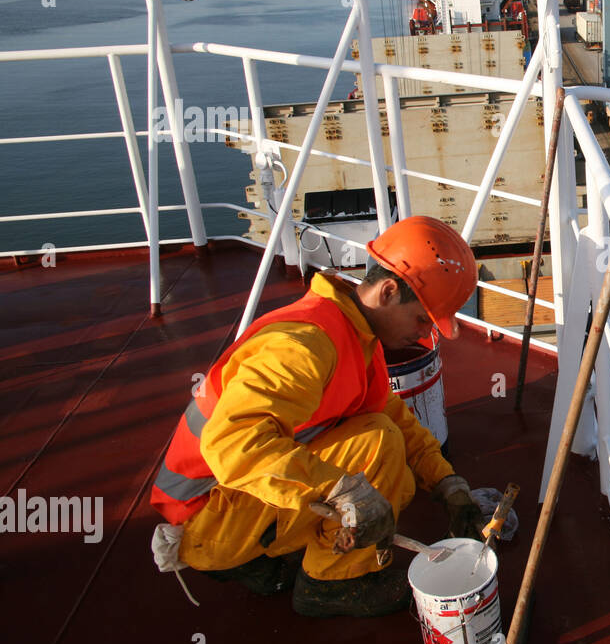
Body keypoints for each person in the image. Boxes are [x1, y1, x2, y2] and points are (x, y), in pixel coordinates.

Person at [151, 216, 487, 617]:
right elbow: (233, 443)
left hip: (232, 504)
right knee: (378, 444)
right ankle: (333, 584)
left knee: (384, 434)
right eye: (421, 320)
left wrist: (446, 481)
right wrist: (343, 492)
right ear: (389, 290)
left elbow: (393, 415)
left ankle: (264, 559)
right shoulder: (305, 346)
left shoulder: (352, 334)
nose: (422, 335)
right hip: (206, 520)